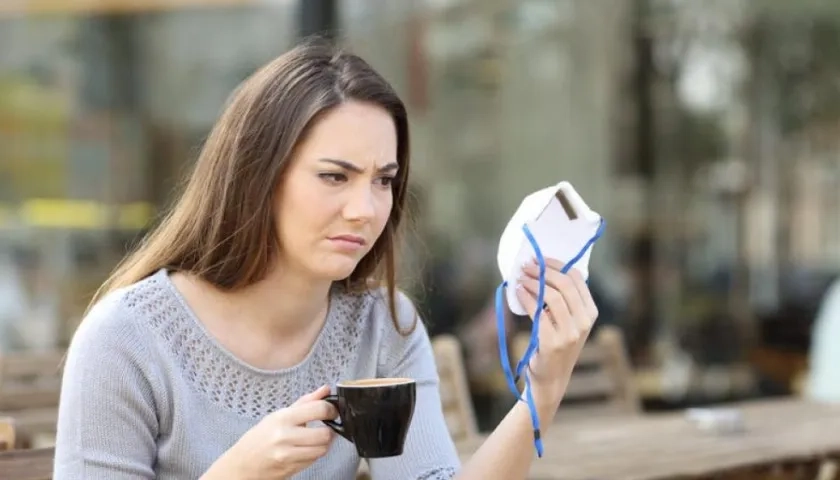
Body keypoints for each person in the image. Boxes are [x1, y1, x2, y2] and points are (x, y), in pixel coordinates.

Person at [53, 39, 599, 480]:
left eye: (383, 181)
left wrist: (543, 390)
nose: (364, 210)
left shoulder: (384, 326)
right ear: (258, 177)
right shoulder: (126, 339)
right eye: (334, 176)